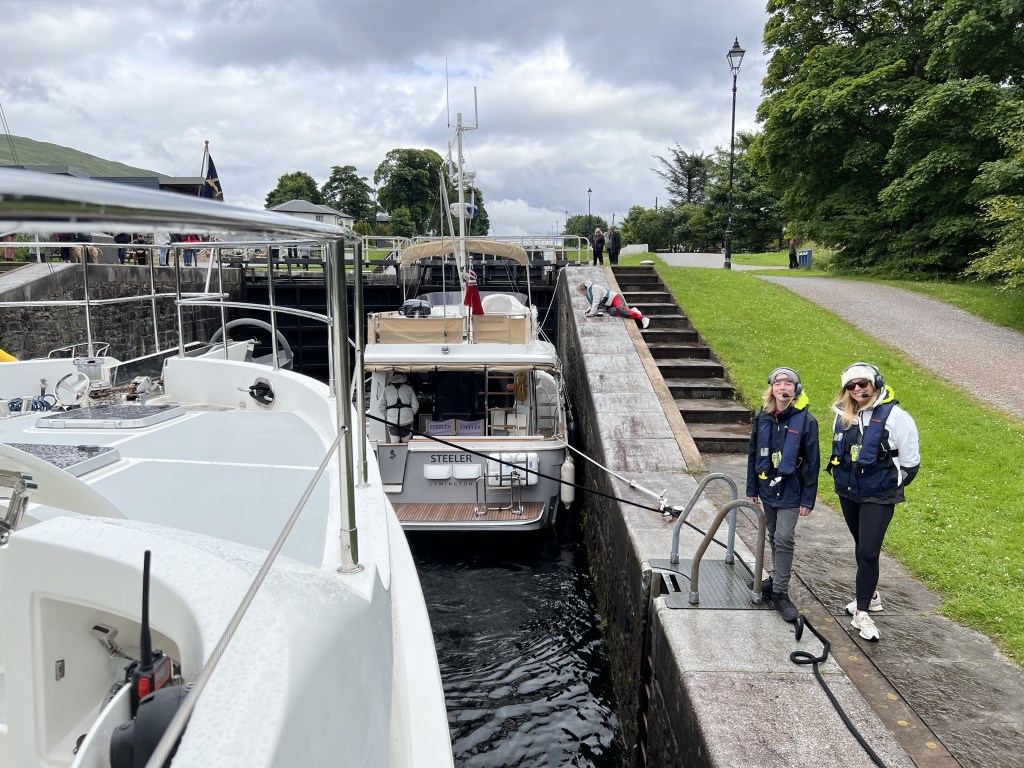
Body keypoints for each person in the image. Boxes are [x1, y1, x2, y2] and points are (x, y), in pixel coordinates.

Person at [827, 362, 920, 641]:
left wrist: (889, 484)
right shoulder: (842, 415)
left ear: (876, 383)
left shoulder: (897, 417)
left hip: (878, 494)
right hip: (849, 491)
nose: (857, 389)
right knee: (861, 545)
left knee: (868, 551)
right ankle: (872, 596)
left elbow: (911, 462)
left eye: (863, 383)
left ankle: (862, 612)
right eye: (851, 385)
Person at [745, 367, 820, 622]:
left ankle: (780, 592)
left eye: (788, 384)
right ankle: (776, 578)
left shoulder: (807, 421)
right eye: (778, 384)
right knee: (774, 534)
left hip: (792, 489)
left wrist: (808, 498)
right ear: (772, 388)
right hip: (767, 488)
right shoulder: (763, 417)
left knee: (785, 537)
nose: (783, 388)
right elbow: (753, 453)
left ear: (795, 390)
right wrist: (752, 487)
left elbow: (813, 462)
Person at [577, 280, 650, 329]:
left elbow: (596, 302)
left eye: (580, 292)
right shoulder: (588, 294)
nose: (580, 293)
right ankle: (632, 311)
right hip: (609, 305)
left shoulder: (594, 288)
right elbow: (591, 304)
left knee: (621, 310)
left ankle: (643, 318)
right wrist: (588, 311)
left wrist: (592, 313)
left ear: (584, 289)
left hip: (615, 298)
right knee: (613, 312)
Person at [379, 372, 419, 443]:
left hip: (392, 422)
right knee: (406, 442)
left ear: (393, 377)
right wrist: (409, 413)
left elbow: (380, 406)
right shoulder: (409, 388)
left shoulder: (387, 389)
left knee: (395, 442)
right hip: (406, 421)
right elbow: (415, 405)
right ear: (403, 376)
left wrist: (388, 415)